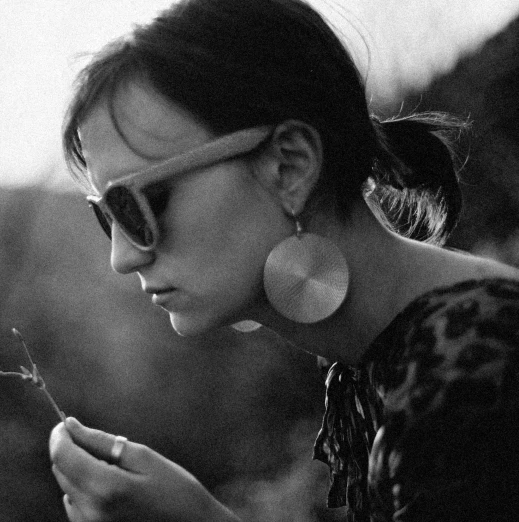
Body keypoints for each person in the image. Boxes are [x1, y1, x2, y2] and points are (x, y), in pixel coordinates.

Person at [47, 0, 519, 520]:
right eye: (106, 215)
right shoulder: (384, 365)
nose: (122, 257)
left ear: (289, 166)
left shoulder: (478, 376)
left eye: (137, 204)